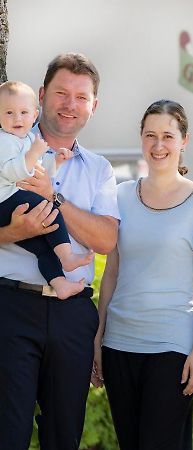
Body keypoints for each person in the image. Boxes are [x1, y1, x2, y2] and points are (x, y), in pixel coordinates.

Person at [0, 53, 119, 450]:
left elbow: (105, 239)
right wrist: (11, 232)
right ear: (41, 96)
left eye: (81, 97)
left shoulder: (100, 169)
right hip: (10, 307)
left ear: (93, 106)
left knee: (63, 435)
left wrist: (55, 196)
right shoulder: (4, 148)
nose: (70, 104)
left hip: (72, 317)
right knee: (7, 432)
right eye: (61, 93)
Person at [91, 99, 193, 450]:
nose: (158, 145)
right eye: (150, 135)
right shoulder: (119, 196)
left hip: (172, 346)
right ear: (141, 139)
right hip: (119, 343)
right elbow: (112, 272)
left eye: (168, 135)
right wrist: (99, 336)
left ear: (184, 140)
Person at [0, 80, 94, 299]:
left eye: (24, 112)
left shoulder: (30, 139)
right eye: (9, 113)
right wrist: (34, 153)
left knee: (43, 247)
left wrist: (57, 162)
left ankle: (59, 283)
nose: (17, 119)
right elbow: (13, 172)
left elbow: (40, 172)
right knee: (50, 208)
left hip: (16, 200)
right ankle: (68, 256)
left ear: (35, 115)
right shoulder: (4, 141)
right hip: (5, 201)